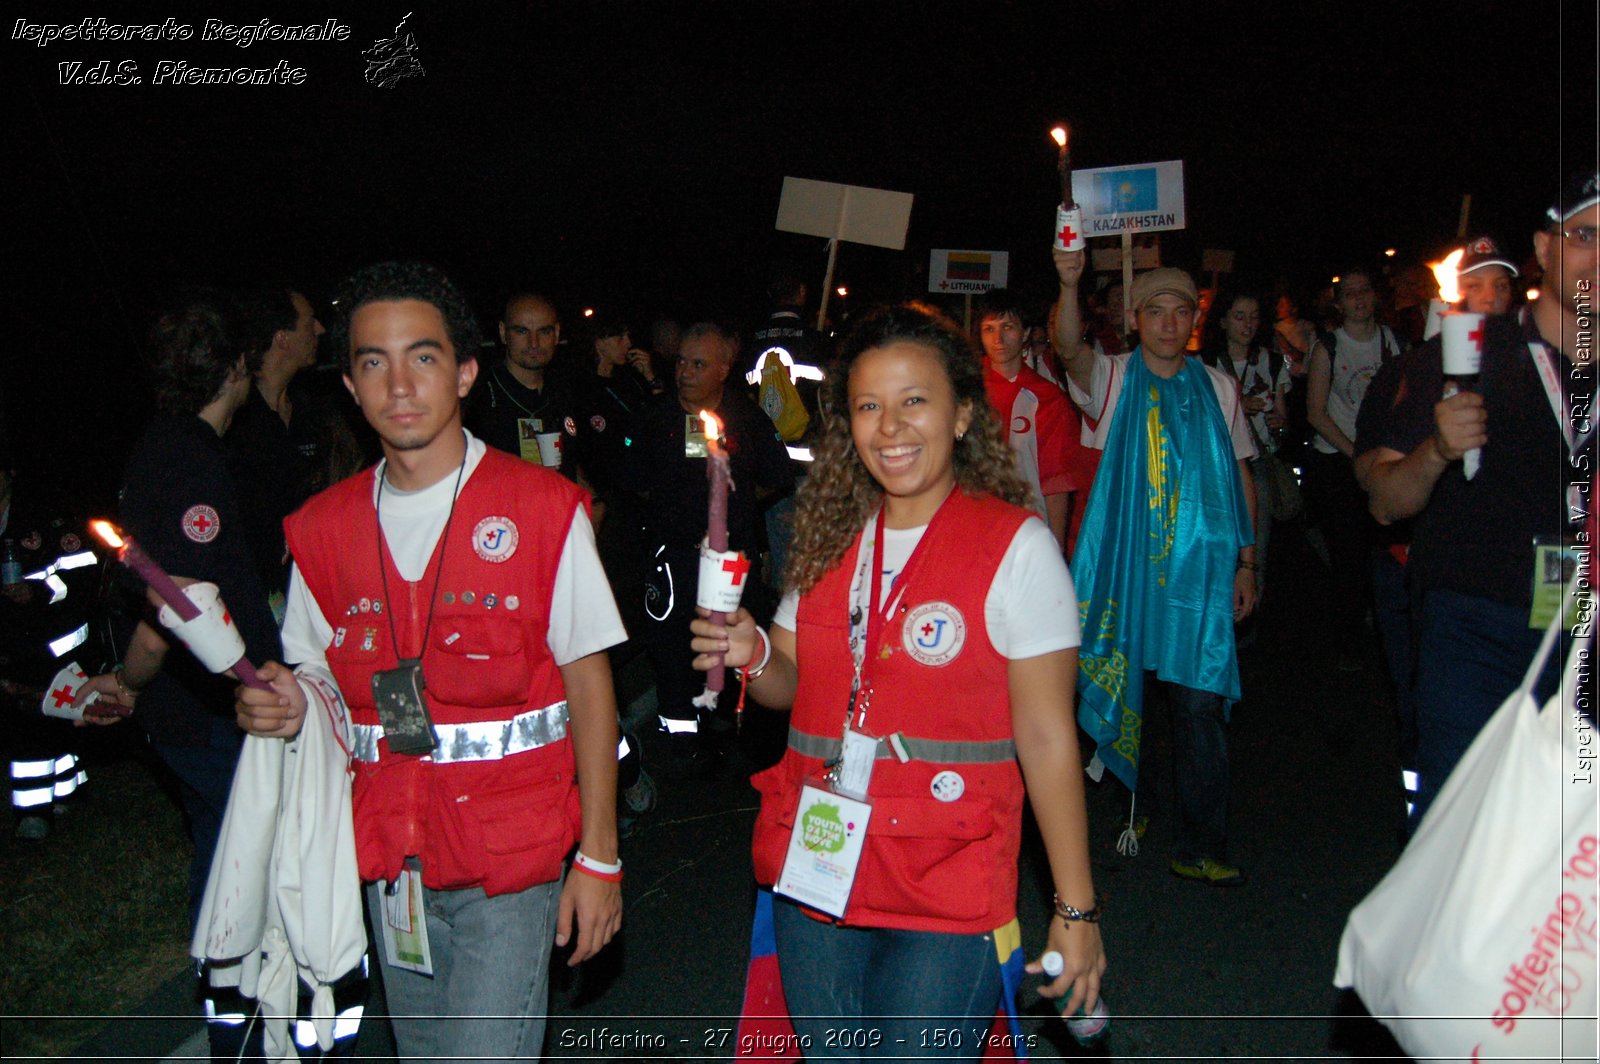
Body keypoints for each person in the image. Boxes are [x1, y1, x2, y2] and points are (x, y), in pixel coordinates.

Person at [690, 303, 1105, 1056]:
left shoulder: (1017, 547)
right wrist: (751, 652)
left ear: (962, 415)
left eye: (915, 401)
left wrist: (1075, 910)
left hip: (945, 877)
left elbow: (1047, 738)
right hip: (818, 868)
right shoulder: (832, 536)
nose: (890, 427)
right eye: (868, 407)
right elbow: (788, 685)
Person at [235, 261, 625, 1059]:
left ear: (466, 371)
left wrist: (601, 856)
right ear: (349, 383)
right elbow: (312, 679)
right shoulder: (321, 528)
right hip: (389, 863)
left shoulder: (544, 511)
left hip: (509, 865)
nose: (400, 384)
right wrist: (280, 699)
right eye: (373, 361)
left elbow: (591, 686)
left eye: (423, 357)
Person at [1362, 171, 1597, 826]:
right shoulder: (1464, 355)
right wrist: (1436, 448)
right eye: (1583, 235)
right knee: (1460, 833)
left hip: (1582, 627)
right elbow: (1385, 500)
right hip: (1477, 628)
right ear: (1545, 252)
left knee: (1565, 842)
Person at [1052, 254, 1258, 885]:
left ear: (1195, 321)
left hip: (1199, 574)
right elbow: (1067, 348)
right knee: (1121, 680)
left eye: (1182, 312)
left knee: (1199, 703)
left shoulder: (1218, 387)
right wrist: (1068, 281)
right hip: (1124, 573)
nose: (1169, 324)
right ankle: (1130, 805)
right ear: (1135, 320)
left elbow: (1241, 473)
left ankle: (1203, 839)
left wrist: (1247, 562)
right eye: (1156, 311)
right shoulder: (1112, 377)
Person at [629, 322, 794, 777]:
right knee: (672, 648)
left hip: (731, 561)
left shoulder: (746, 418)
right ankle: (683, 740)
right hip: (673, 558)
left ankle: (733, 725)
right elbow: (635, 482)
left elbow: (777, 476)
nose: (685, 372)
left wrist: (734, 507)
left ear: (723, 369)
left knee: (735, 640)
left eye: (699, 364)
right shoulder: (655, 416)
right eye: (681, 361)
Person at [226, 284, 361, 613]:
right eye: (309, 322)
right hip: (252, 598)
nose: (320, 329)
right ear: (282, 337)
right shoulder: (234, 423)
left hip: (318, 588)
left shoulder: (319, 416)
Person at [1304, 267, 1401, 670]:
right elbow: (1316, 411)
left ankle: (1382, 630)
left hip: (1380, 460)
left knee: (1382, 550)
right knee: (1347, 554)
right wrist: (1354, 451)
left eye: (1366, 292)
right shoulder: (1329, 346)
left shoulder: (1390, 341)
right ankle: (1346, 641)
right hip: (1338, 462)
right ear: (1339, 304)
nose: (1360, 300)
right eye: (1351, 294)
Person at [1199, 288, 1291, 603]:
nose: (1247, 325)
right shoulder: (1204, 363)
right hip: (1216, 469)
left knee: (1254, 547)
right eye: (1239, 316)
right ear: (1223, 321)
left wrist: (1278, 421)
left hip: (1257, 464)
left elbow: (1282, 415)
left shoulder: (1272, 362)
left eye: (1253, 317)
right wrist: (1237, 406)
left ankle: (1248, 613)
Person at [976, 288, 1077, 550]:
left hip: (1025, 530)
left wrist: (1055, 547)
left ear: (1026, 334)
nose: (998, 338)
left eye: (1008, 327)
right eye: (989, 328)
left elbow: (1056, 482)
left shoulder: (1047, 399)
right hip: (972, 527)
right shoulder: (963, 389)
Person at [465, 291, 581, 475]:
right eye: (522, 331)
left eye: (544, 331)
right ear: (503, 333)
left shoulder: (566, 391)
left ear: (557, 334)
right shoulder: (477, 398)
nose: (534, 343)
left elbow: (576, 462)